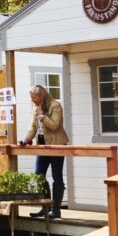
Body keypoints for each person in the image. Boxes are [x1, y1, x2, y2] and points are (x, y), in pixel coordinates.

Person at [22, 84, 69, 219]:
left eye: (34, 97)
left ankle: (56, 210)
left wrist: (42, 116)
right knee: (39, 176)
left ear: (41, 96)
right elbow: (33, 127)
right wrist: (27, 139)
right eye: (31, 97)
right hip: (42, 145)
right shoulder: (35, 108)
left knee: (56, 176)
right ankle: (45, 207)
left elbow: (54, 126)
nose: (32, 100)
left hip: (57, 144)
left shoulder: (55, 105)